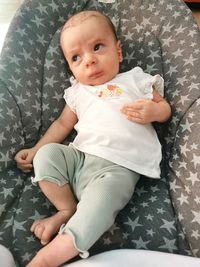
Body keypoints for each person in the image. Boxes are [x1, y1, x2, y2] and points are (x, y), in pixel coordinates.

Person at [15, 10, 171, 267]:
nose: (89, 60)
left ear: (118, 52)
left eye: (97, 47)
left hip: (116, 168)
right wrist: (36, 149)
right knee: (48, 156)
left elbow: (165, 110)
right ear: (71, 68)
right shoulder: (78, 92)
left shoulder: (136, 80)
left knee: (103, 200)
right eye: (76, 57)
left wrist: (155, 111)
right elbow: (62, 124)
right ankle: (66, 209)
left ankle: (49, 257)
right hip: (79, 160)